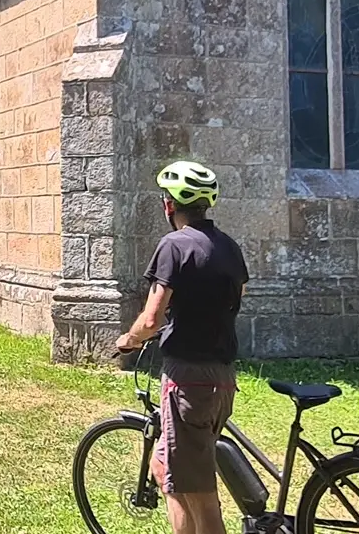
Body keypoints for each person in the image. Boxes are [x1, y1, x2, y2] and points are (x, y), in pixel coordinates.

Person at [116, 160, 248, 534]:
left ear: (169, 205)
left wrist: (129, 340)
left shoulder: (173, 245)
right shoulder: (229, 247)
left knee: (203, 497)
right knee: (166, 468)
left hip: (187, 381)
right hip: (222, 380)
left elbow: (152, 318)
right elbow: (238, 296)